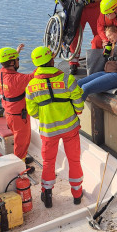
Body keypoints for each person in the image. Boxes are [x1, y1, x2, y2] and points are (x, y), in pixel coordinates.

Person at [25, 46, 84, 208]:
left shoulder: (31, 86)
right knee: (74, 160)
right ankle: (77, 194)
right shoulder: (67, 79)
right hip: (70, 129)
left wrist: (46, 117)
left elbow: (33, 112)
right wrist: (77, 111)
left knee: (48, 162)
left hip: (49, 132)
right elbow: (78, 103)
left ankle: (47, 194)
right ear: (51, 60)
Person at [0, 44, 35, 168]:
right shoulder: (18, 79)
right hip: (19, 117)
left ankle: (21, 158)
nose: (19, 61)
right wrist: (46, 58)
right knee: (21, 143)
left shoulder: (1, 74)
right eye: (17, 59)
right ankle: (19, 167)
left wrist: (16, 53)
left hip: (9, 114)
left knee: (20, 140)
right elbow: (37, 74)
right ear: (12, 62)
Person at [78, 25, 117, 100]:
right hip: (106, 72)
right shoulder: (112, 44)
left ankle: (75, 110)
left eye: (110, 35)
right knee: (78, 83)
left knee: (85, 88)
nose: (108, 39)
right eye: (107, 37)